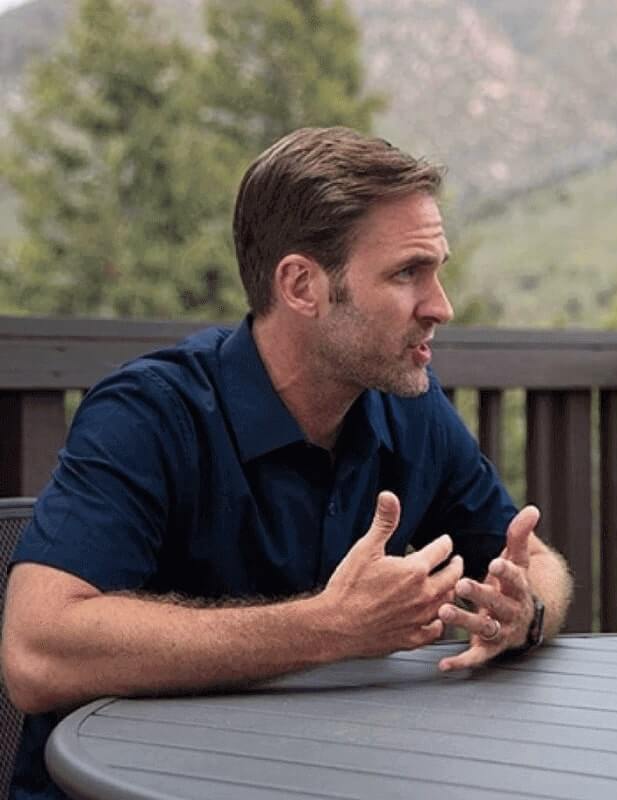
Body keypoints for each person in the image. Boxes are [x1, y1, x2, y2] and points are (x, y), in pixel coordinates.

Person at [0, 127, 574, 800]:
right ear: (302, 285)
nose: (440, 305)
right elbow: (37, 652)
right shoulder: (148, 414)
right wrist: (329, 627)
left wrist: (525, 612)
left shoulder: (410, 409)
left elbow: (536, 561)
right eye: (406, 273)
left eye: (437, 269)